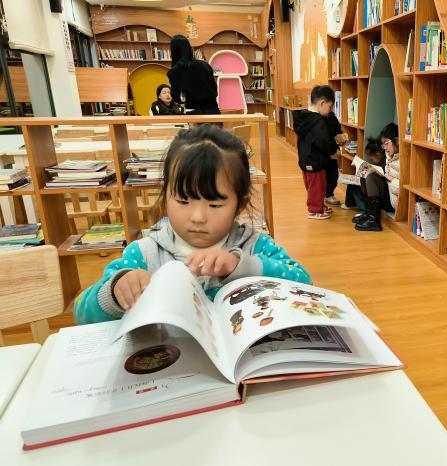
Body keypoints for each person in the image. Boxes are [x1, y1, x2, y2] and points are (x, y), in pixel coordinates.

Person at [74, 125, 311, 324]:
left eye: (214, 204)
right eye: (183, 201)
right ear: (165, 195)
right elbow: (82, 315)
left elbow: (305, 284)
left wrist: (242, 266)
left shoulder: (255, 246)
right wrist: (116, 292)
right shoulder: (144, 254)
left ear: (240, 205)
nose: (198, 217)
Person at [293, 85, 347, 220]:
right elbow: (323, 141)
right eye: (330, 107)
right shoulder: (318, 121)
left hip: (306, 159)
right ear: (322, 103)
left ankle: (319, 206)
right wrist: (333, 151)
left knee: (314, 186)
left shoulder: (304, 117)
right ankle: (315, 210)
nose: (331, 110)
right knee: (317, 187)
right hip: (315, 160)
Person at [355, 123, 400, 232]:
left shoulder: (405, 158)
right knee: (364, 174)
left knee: (371, 178)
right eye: (383, 145)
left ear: (397, 141)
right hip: (388, 193)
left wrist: (389, 178)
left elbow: (403, 188)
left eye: (387, 143)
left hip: (395, 200)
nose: (385, 147)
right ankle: (369, 213)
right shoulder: (389, 155)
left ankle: (374, 221)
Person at [167, 35, 220, 115]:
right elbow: (214, 88)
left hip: (193, 111)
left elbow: (176, 98)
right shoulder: (204, 65)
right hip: (213, 110)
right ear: (189, 48)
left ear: (173, 51)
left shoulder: (174, 72)